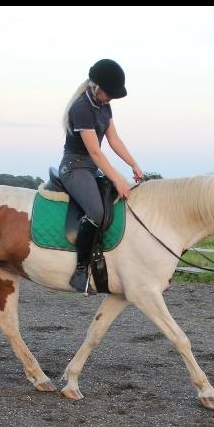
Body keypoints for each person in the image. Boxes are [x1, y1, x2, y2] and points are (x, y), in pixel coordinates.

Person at [59, 58, 144, 292]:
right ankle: (79, 270)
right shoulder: (81, 109)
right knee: (96, 212)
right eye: (109, 94)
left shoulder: (104, 106)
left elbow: (114, 140)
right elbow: (96, 152)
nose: (110, 99)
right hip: (75, 167)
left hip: (91, 167)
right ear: (95, 86)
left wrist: (133, 164)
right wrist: (117, 178)